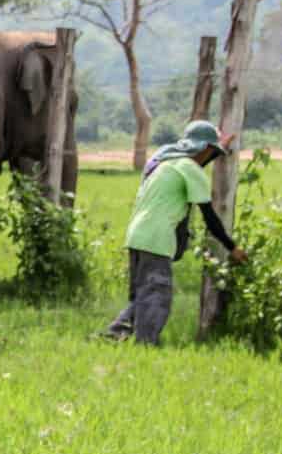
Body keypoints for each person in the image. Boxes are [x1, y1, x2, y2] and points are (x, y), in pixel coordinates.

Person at [102, 119, 248, 345]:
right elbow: (210, 217)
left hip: (136, 235)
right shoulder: (190, 170)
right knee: (156, 296)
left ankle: (111, 338)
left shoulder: (167, 163)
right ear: (205, 149)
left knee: (142, 297)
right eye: (212, 151)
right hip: (156, 240)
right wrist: (233, 247)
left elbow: (198, 163)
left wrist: (215, 148)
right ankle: (146, 347)